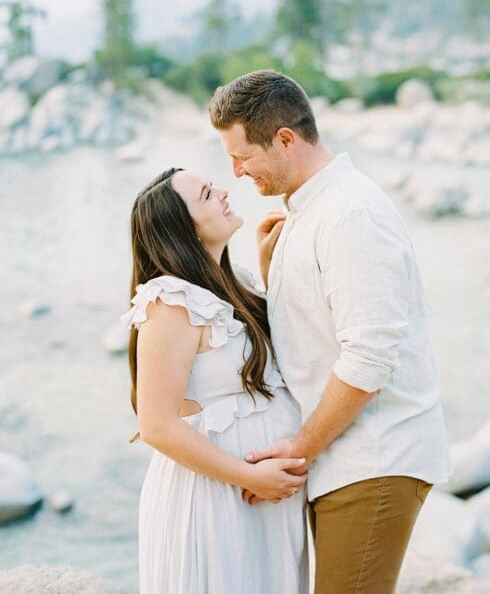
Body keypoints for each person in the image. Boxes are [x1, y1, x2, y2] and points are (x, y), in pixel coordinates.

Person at [208, 70, 451, 593]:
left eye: (241, 156)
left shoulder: (350, 214)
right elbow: (314, 335)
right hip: (346, 455)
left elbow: (369, 359)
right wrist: (271, 270)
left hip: (375, 457)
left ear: (285, 140)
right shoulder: (309, 210)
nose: (235, 172)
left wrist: (300, 447)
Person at [123, 167, 308, 593]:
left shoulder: (233, 283)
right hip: (215, 496)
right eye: (207, 194)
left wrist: (266, 275)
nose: (223, 192)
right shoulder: (169, 301)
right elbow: (156, 425)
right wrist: (250, 478)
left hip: (258, 497)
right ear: (182, 229)